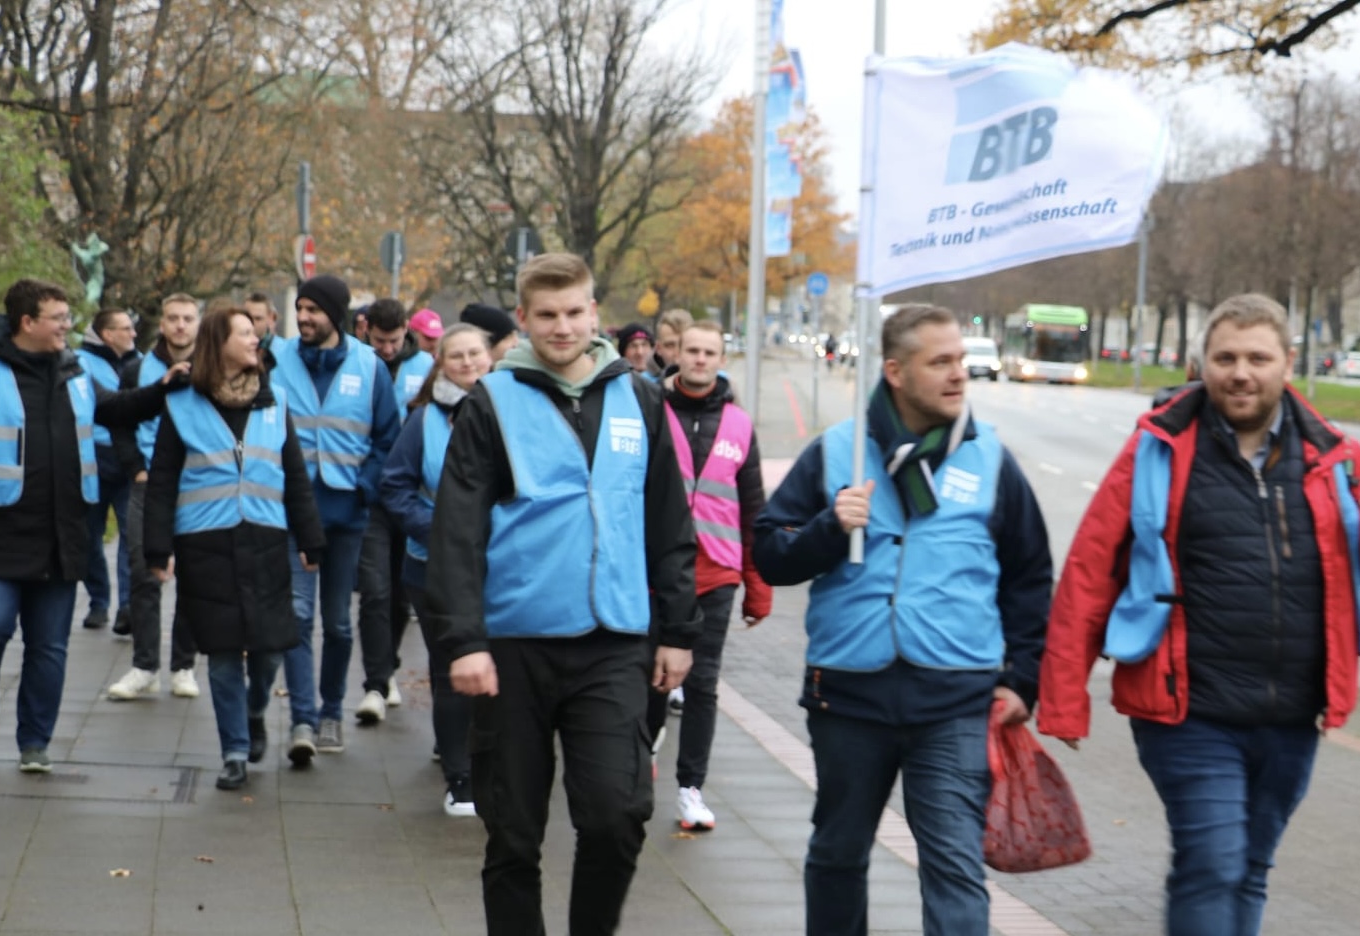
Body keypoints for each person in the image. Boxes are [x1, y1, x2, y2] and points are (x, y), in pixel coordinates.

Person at [1038, 293, 1360, 936]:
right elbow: (1090, 571)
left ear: (1288, 364)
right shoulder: (1156, 448)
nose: (1241, 372)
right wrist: (1064, 696)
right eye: (1226, 357)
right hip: (1187, 711)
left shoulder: (1338, 456)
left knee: (1249, 868)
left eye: (1258, 358)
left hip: (1292, 713)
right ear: (1202, 364)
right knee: (1212, 862)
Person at [753, 303, 1054, 936]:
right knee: (837, 853)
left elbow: (1029, 576)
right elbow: (771, 557)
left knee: (953, 865)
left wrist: (1022, 677)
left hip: (955, 701)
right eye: (939, 362)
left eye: (961, 360)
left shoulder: (990, 458)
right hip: (848, 695)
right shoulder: (838, 453)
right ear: (894, 370)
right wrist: (830, 528)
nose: (958, 374)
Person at [424, 252, 701, 936]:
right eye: (546, 315)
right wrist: (464, 640)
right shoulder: (491, 402)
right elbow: (456, 529)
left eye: (574, 312)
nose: (562, 326)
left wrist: (677, 630)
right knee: (513, 833)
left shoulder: (639, 396)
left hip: (614, 641)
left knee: (617, 814)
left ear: (594, 313)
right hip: (513, 647)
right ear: (522, 320)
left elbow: (668, 520)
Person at [0, 279, 178, 771]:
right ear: (28, 323)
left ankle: (34, 742)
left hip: (63, 536)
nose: (69, 326)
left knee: (49, 646)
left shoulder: (76, 371)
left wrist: (164, 388)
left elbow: (116, 409)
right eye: (60, 317)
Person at [142, 306, 325, 788]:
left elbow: (295, 477)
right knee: (222, 652)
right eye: (244, 332)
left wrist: (311, 538)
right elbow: (161, 483)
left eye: (254, 331)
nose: (255, 338)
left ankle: (256, 708)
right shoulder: (182, 403)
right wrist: (157, 550)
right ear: (218, 342)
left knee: (267, 650)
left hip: (266, 538)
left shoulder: (275, 400)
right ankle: (235, 752)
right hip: (205, 542)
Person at [644, 319, 771, 830]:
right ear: (676, 354)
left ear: (722, 359)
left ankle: (691, 788)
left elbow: (754, 509)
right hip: (653, 570)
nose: (699, 359)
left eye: (709, 352)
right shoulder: (649, 406)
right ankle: (639, 762)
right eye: (691, 350)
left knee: (704, 683)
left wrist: (757, 586)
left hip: (717, 573)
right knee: (647, 677)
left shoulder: (740, 424)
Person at [273, 274, 400, 764]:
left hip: (349, 515)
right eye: (300, 308)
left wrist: (366, 489)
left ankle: (331, 713)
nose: (303, 317)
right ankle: (303, 720)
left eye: (313, 310)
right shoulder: (277, 358)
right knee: (299, 618)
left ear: (337, 315)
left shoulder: (369, 367)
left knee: (339, 625)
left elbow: (388, 439)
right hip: (292, 512)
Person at [379, 324, 493, 816]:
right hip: (433, 570)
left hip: (503, 569)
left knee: (497, 672)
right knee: (451, 672)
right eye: (457, 357)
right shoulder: (424, 421)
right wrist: (441, 531)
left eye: (475, 354)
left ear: (490, 358)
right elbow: (394, 487)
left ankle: (490, 760)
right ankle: (459, 775)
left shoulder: (516, 413)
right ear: (440, 365)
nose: (467, 363)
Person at [107, 294, 203, 701]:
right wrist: (135, 468)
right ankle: (145, 666)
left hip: (198, 484)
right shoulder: (136, 369)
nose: (180, 326)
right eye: (172, 318)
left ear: (199, 323)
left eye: (187, 318)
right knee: (143, 571)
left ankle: (184, 666)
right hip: (148, 484)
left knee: (195, 576)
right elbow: (120, 419)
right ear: (161, 324)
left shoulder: (214, 367)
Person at [353, 298, 429, 726]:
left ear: (406, 332)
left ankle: (390, 662)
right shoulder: (358, 364)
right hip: (376, 497)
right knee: (376, 590)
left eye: (393, 341)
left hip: (414, 496)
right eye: (379, 340)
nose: (385, 348)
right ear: (366, 330)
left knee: (403, 594)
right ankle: (376, 683)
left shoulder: (425, 368)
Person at [77, 307, 140, 632]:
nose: (133, 334)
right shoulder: (80, 363)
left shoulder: (140, 362)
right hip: (94, 459)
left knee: (132, 536)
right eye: (125, 328)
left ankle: (127, 606)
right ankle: (98, 601)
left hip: (131, 459)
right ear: (107, 335)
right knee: (90, 536)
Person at [653, 308, 692, 375]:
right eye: (670, 346)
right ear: (658, 348)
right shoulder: (640, 384)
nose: (677, 353)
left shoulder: (714, 381)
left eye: (684, 344)